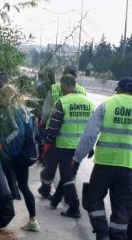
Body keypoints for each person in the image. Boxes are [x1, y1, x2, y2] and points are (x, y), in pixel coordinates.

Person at [72, 78, 132, 240]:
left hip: (104, 164)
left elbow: (90, 135)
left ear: (118, 89)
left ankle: (102, 236)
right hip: (126, 168)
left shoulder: (107, 105)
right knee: (122, 206)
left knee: (93, 198)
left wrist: (77, 158)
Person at [40, 75, 94, 219]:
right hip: (80, 147)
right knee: (68, 175)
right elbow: (92, 129)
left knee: (67, 176)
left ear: (64, 86)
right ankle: (56, 200)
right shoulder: (89, 103)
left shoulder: (62, 102)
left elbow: (53, 126)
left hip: (63, 146)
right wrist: (90, 147)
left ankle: (74, 207)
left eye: (62, 87)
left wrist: (47, 141)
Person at [0, 86, 40, 232]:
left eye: (1, 97)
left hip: (17, 155)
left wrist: (2, 142)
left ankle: (1, 220)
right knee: (23, 186)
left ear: (6, 97)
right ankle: (33, 220)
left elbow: (18, 131)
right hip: (26, 154)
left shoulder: (12, 110)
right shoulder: (23, 109)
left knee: (6, 185)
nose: (0, 101)